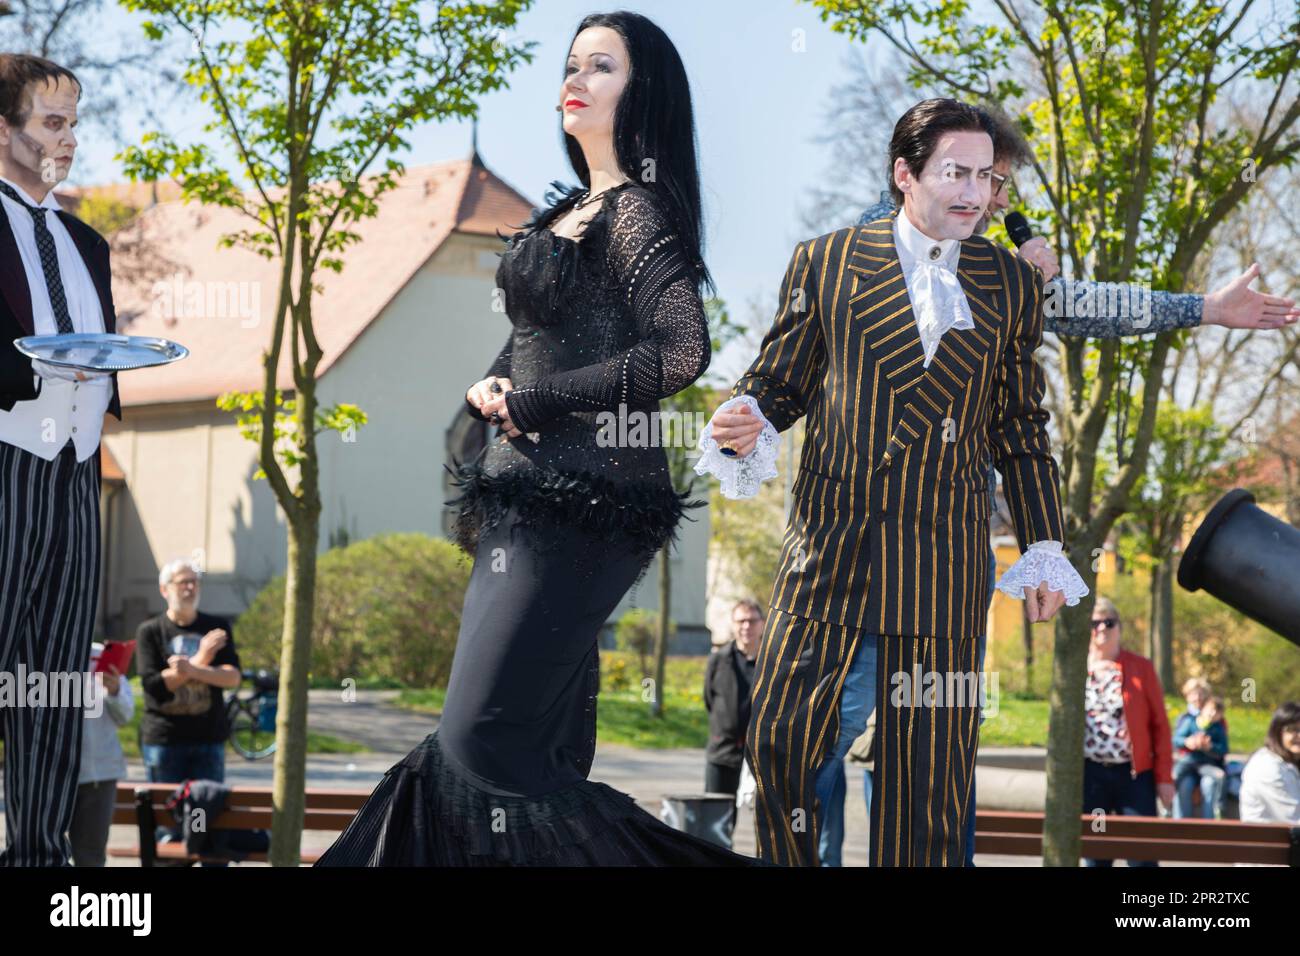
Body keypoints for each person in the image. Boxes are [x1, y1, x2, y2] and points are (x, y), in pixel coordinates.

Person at [317, 12, 758, 867]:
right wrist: (492, 385)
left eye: (603, 66)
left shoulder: (637, 210)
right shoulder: (572, 210)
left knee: (479, 742)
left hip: (585, 510)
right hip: (521, 501)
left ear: (644, 94)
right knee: (532, 758)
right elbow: (545, 333)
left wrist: (539, 400)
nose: (577, 77)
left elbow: (681, 349)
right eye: (572, 63)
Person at [845, 108, 1297, 867]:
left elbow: (1094, 307)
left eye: (998, 185)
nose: (991, 199)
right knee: (835, 721)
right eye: (974, 179)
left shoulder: (997, 273)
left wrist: (1205, 310)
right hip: (867, 536)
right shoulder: (870, 247)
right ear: (920, 176)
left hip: (952, 539)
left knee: (946, 742)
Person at [698, 98, 1087, 866]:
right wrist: (747, 417)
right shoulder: (826, 261)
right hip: (830, 550)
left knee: (930, 789)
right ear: (905, 174)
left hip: (941, 560)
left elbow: (1019, 428)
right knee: (779, 746)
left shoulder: (1010, 286)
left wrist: (1043, 545)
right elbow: (782, 381)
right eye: (955, 173)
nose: (975, 192)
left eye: (986, 176)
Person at [0, 53, 121, 866]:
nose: (68, 138)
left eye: (74, 122)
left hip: (76, 473)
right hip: (5, 462)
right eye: (51, 122)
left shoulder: (86, 242)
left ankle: (38, 863)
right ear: (3, 131)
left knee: (52, 684)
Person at [1082, 597, 1173, 867]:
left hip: (1133, 775)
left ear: (1119, 627)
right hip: (1091, 775)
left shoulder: (1140, 668)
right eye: (1094, 623)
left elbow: (1161, 726)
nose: (1101, 628)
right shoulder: (1076, 668)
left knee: (1142, 854)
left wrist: (1165, 778)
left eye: (1108, 622)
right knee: (1096, 854)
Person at [134, 559, 240, 791]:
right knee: (167, 821)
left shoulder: (216, 628)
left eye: (195, 582)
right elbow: (155, 686)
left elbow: (232, 677)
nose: (190, 588)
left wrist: (191, 669)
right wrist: (202, 659)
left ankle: (197, 830)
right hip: (164, 742)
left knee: (203, 818)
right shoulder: (149, 631)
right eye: (183, 582)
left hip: (208, 741)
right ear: (165, 589)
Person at [67, 642, 133, 866]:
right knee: (47, 853)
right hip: (53, 773)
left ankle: (89, 902)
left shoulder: (101, 654)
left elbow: (125, 715)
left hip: (99, 774)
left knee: (90, 855)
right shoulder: (43, 651)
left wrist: (113, 691)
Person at [703, 600, 762, 846]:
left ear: (763, 625)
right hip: (723, 752)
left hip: (761, 755)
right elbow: (709, 698)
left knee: (766, 825)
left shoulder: (772, 661)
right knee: (717, 826)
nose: (746, 626)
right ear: (733, 625)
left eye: (751, 621)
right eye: (740, 621)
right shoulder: (719, 660)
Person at [1172, 682, 1228, 819]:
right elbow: (1176, 741)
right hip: (1189, 764)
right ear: (1186, 696)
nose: (1197, 697)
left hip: (1208, 764)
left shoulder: (1218, 721)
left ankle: (1209, 826)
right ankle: (1180, 828)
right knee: (1184, 786)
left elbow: (1223, 748)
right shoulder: (1186, 719)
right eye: (1193, 694)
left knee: (1209, 785)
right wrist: (1188, 742)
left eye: (1201, 694)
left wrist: (1210, 747)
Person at [1238, 701, 1300, 825]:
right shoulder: (1268, 767)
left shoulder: (1287, 762)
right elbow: (1293, 816)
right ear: (1277, 731)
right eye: (1293, 730)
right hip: (1271, 841)